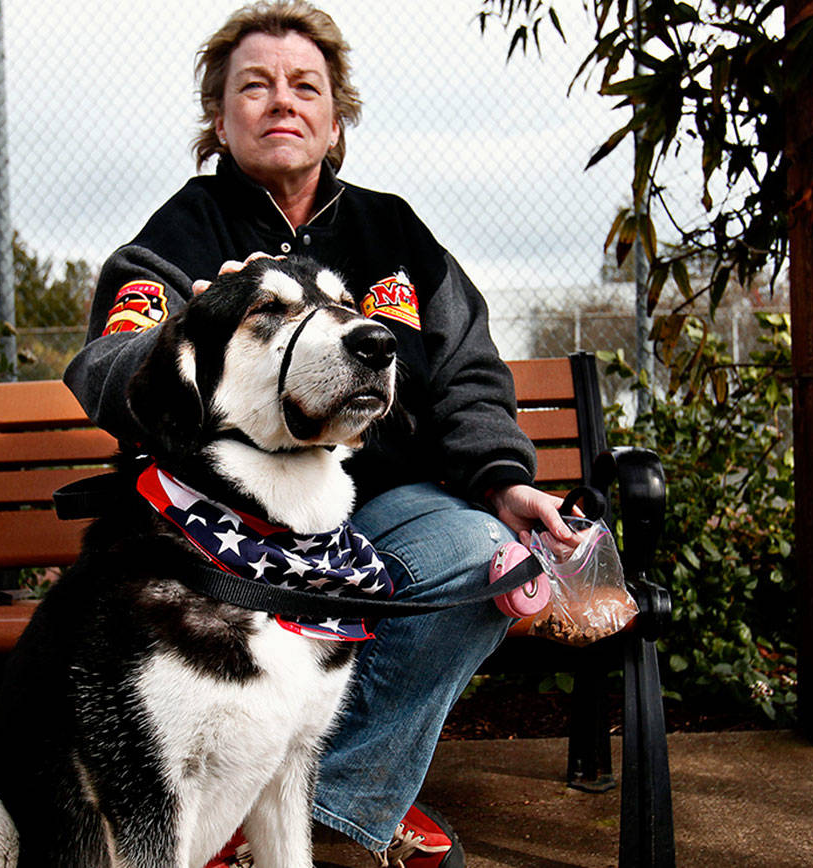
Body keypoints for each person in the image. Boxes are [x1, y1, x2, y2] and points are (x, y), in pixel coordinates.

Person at [63, 3, 575, 865]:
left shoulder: (395, 234)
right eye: (253, 87)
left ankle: (336, 809)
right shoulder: (176, 238)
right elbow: (106, 365)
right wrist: (198, 323)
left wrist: (501, 478)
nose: (281, 102)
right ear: (219, 120)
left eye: (306, 86)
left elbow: (468, 373)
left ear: (336, 120)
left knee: (484, 554)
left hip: (375, 509)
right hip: (227, 530)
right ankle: (267, 816)